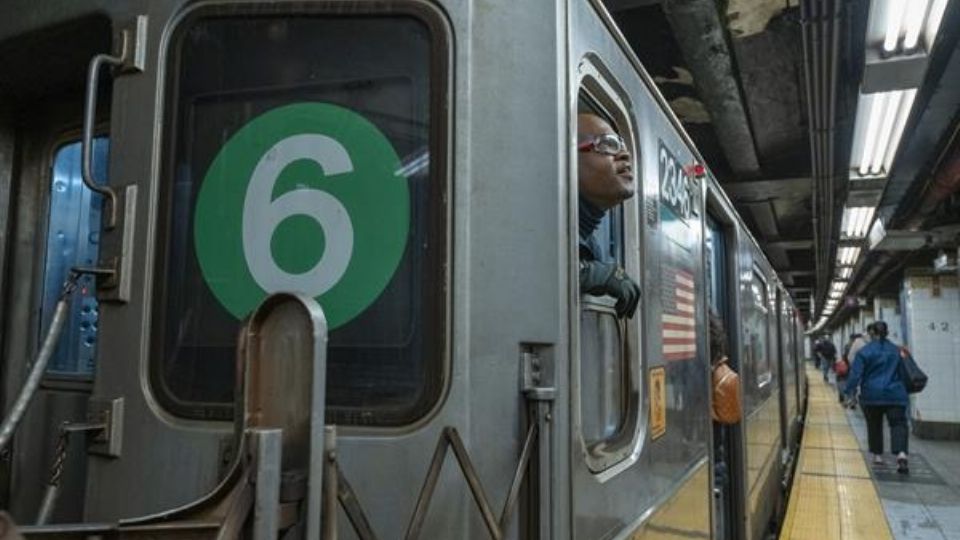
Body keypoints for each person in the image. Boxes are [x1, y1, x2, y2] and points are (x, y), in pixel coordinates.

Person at [576, 112, 640, 318]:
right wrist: (591, 275)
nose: (624, 154)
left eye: (621, 145)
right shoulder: (532, 223)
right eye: (607, 144)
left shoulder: (591, 244)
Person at [844, 321, 910, 473]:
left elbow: (855, 375)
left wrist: (849, 392)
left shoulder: (864, 352)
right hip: (895, 394)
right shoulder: (897, 350)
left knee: (874, 425)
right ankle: (901, 455)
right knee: (898, 424)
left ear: (872, 333)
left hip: (871, 395)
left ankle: (878, 456)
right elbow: (904, 372)